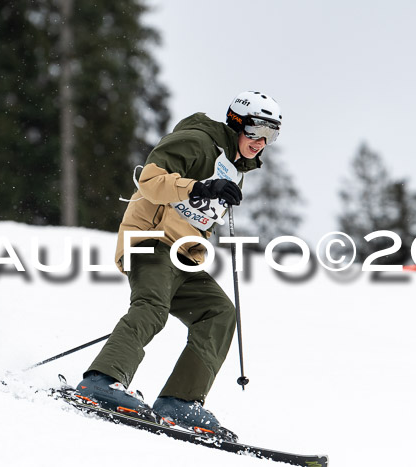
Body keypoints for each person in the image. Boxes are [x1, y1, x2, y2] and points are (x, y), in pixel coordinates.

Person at [75, 91, 282, 441]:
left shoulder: (235, 169)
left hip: (182, 257)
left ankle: (179, 401)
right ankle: (100, 381)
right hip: (149, 239)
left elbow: (200, 217)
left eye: (271, 135)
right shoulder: (197, 141)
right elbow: (150, 183)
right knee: (152, 308)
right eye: (257, 130)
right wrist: (200, 186)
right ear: (237, 122)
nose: (261, 142)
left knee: (219, 313)